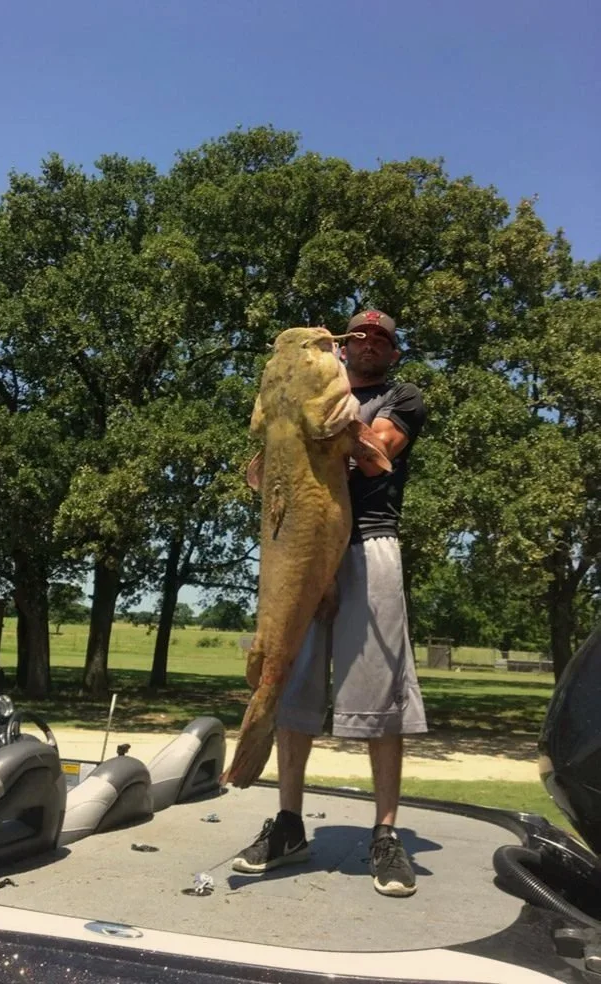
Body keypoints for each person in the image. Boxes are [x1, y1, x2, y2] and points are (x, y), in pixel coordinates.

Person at [232, 309, 427, 897]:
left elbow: (381, 450)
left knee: (379, 695)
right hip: (296, 544)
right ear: (341, 350)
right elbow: (259, 476)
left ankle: (386, 834)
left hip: (369, 544)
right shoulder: (303, 393)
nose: (368, 342)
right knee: (288, 683)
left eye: (382, 338)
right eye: (358, 334)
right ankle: (289, 823)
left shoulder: (402, 396)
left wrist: (341, 429)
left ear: (393, 353)